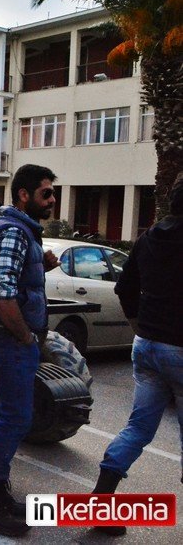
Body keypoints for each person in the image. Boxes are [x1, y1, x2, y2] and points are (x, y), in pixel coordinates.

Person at [0, 164, 60, 537]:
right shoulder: (15, 233)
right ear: (23, 195)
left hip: (0, 335)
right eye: (46, 193)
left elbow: (12, 283)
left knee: (0, 409)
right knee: (16, 417)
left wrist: (42, 268)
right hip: (7, 337)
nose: (52, 200)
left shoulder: (17, 232)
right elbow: (2, 293)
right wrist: (24, 336)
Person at [89, 172, 183, 536]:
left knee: (138, 428)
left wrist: (139, 326)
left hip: (146, 345)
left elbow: (124, 287)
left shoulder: (148, 239)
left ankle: (100, 505)